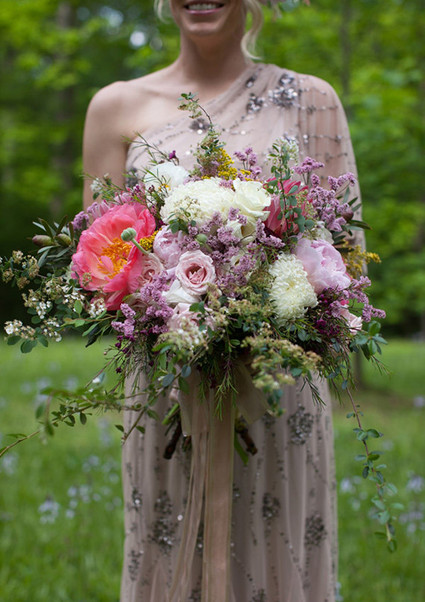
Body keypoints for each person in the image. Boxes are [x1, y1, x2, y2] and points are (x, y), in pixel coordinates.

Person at [82, 1, 362, 600]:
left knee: (274, 549)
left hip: (278, 390)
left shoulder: (311, 99)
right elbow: (100, 267)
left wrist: (261, 309)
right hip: (168, 387)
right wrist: (174, 311)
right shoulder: (116, 107)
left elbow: (345, 260)